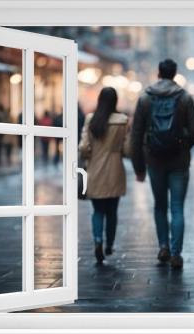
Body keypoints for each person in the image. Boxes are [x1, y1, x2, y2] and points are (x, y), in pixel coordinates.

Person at [131, 59, 194, 270]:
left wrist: (139, 167)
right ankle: (177, 253)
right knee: (177, 207)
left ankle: (163, 246)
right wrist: (182, 144)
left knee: (160, 206)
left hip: (154, 160)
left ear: (159, 73)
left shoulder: (145, 98)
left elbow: (136, 135)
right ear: (175, 73)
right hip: (179, 161)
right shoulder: (185, 97)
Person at [79, 87, 130, 264]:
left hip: (95, 170)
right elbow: (128, 149)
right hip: (115, 170)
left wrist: (88, 157)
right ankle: (109, 244)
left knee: (98, 210)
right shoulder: (123, 120)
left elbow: (84, 148)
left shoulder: (91, 119)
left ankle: (98, 241)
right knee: (112, 211)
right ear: (115, 101)